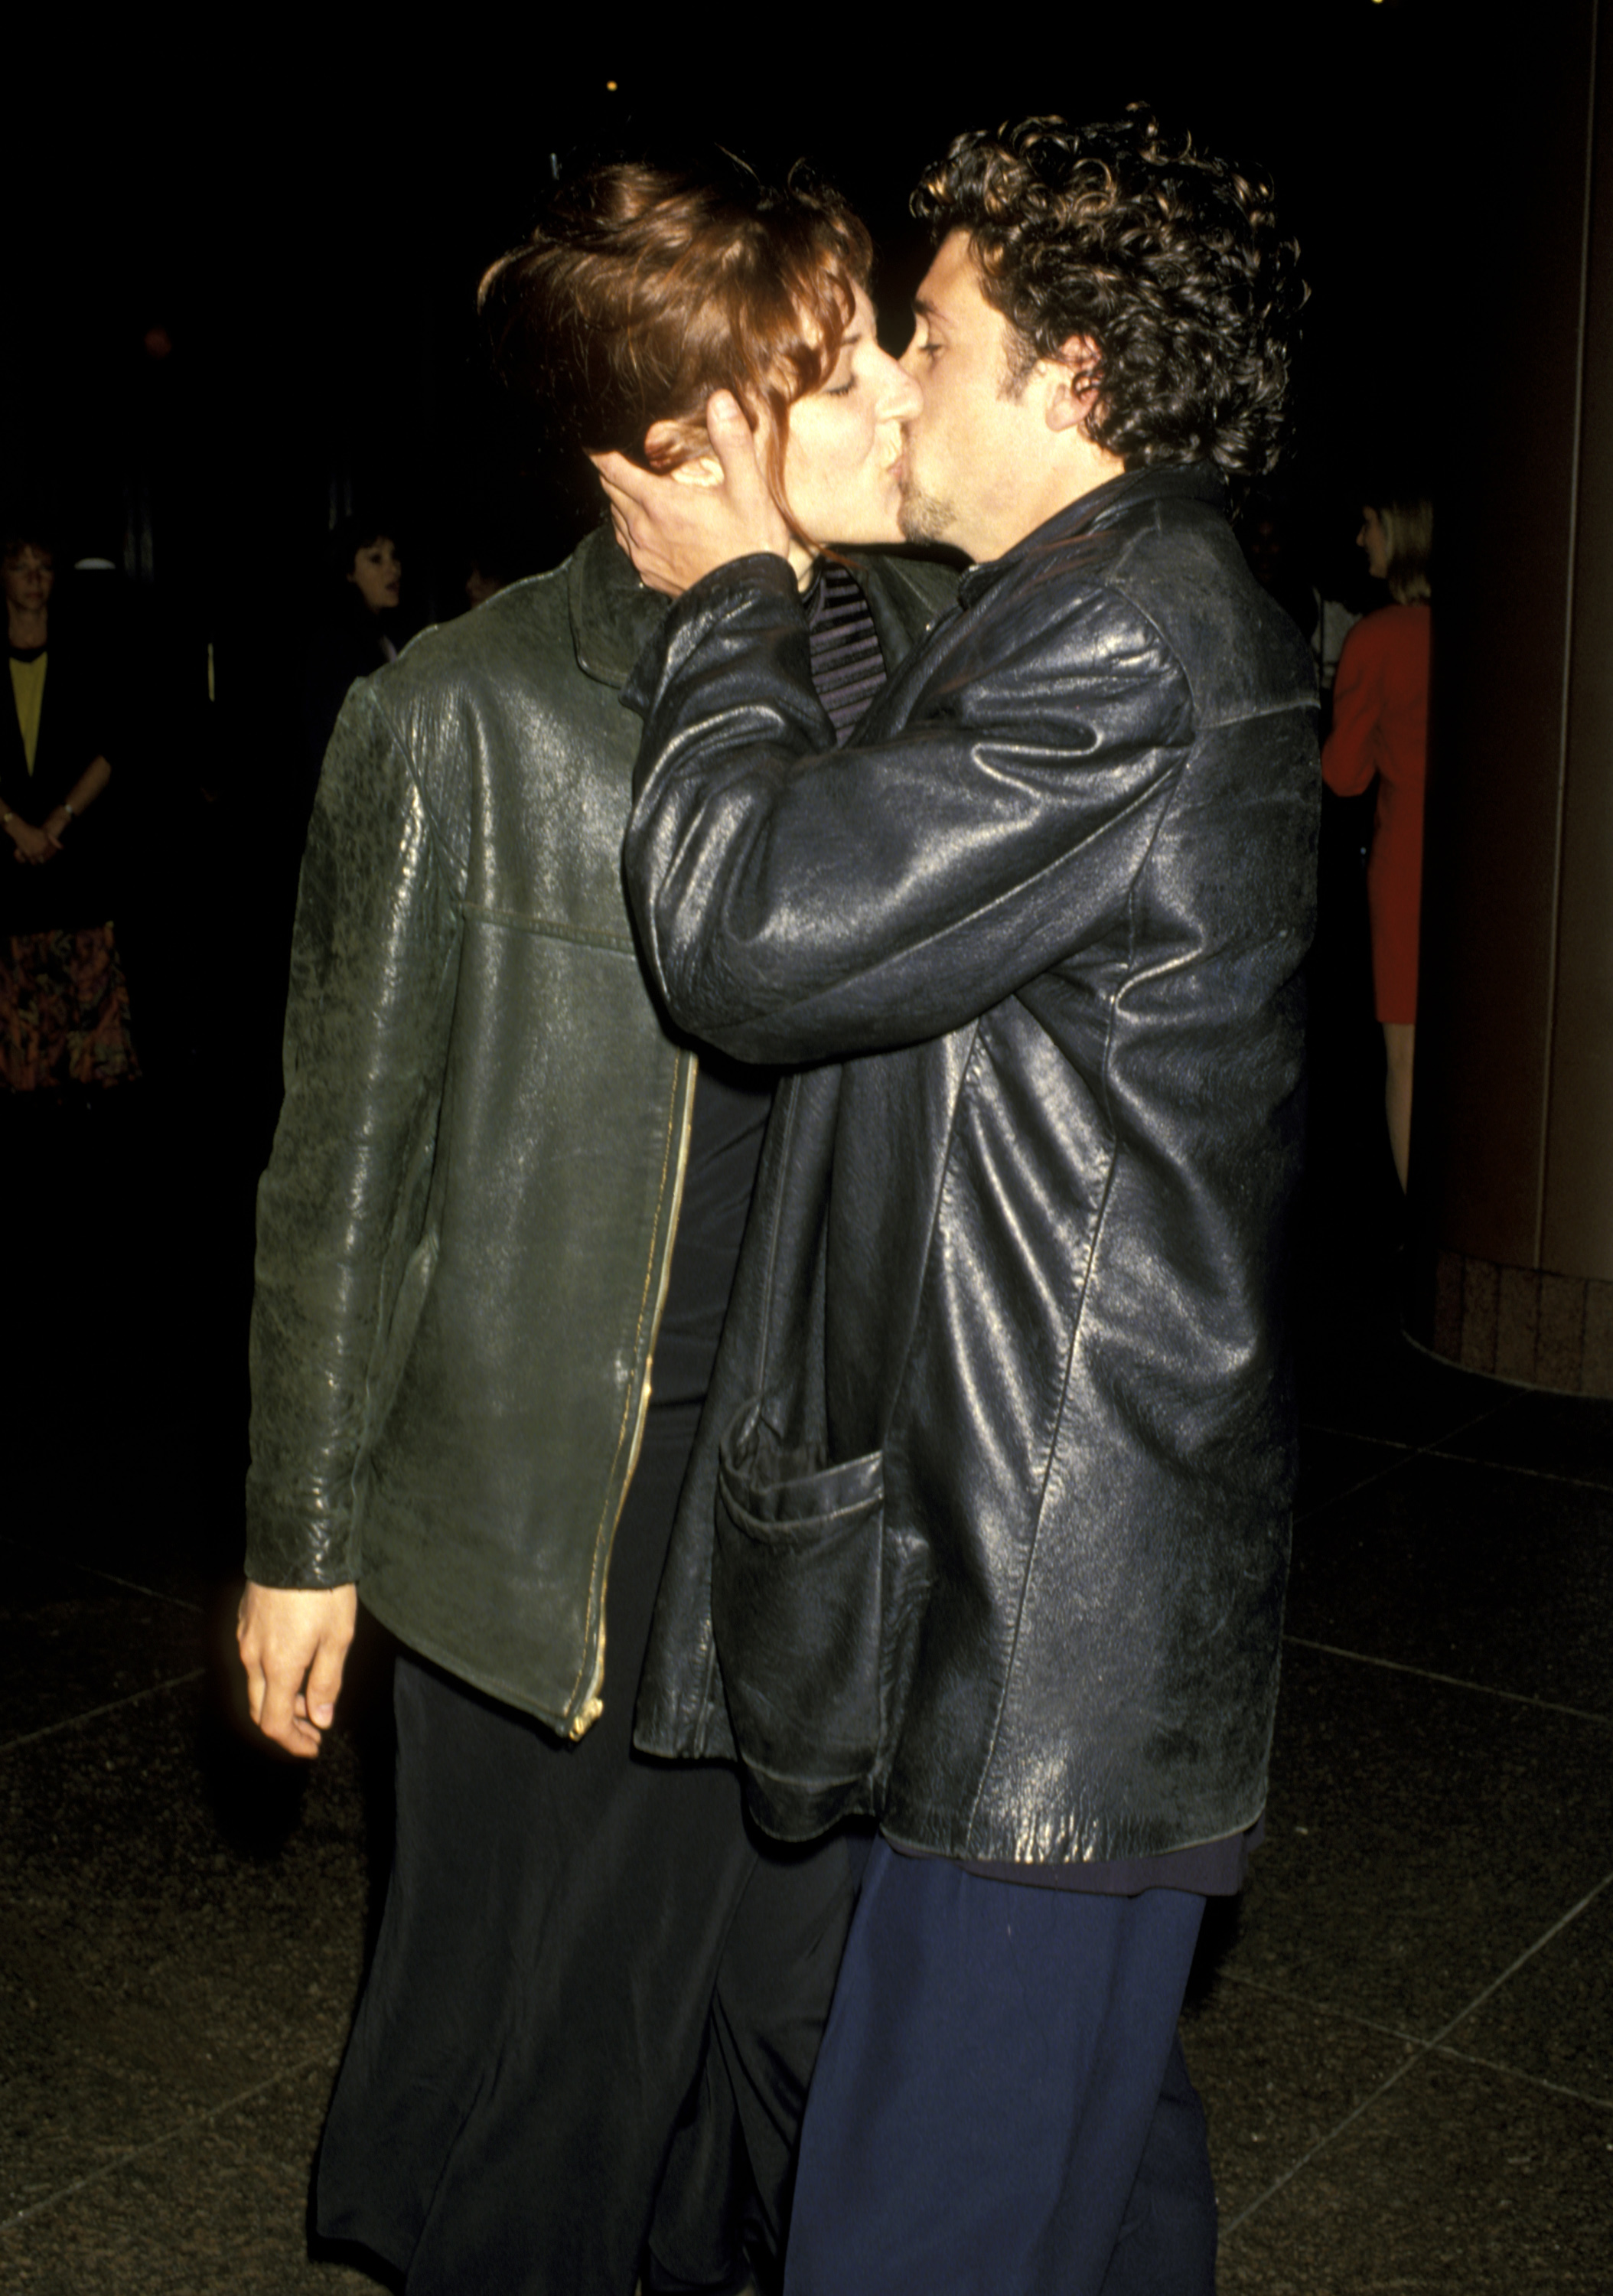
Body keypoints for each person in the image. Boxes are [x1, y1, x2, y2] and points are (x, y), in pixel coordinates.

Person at [596, 109, 1316, 2294]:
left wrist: (725, 591)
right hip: (1078, 1632)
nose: (893, 381)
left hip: (1048, 1659)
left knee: (912, 2233)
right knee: (1095, 2214)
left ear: (1072, 377)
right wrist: (799, 561)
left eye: (932, 334)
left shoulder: (1120, 637)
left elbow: (744, 925)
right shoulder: (1098, 602)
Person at [235, 156, 952, 2296]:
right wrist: (302, 1530)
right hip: (558, 1499)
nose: (904, 397)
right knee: (550, 2053)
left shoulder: (924, 669)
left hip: (822, 1490)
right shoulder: (453, 717)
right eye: (840, 374)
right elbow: (343, 1160)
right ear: (686, 444)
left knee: (767, 2048)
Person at [2, 524, 138, 1097]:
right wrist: (14, 824)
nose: (34, 579)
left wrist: (58, 820)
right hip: (8, 866)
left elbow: (113, 746)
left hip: (75, 862)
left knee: (89, 1067)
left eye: (45, 567)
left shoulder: (82, 652)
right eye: (21, 566)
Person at [1321, 493, 1433, 1189]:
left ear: (1398, 532)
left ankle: (1416, 1221)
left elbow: (1345, 776)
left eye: (1368, 524)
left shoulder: (1376, 637)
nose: (1360, 538)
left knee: (1405, 1059)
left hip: (1403, 864)